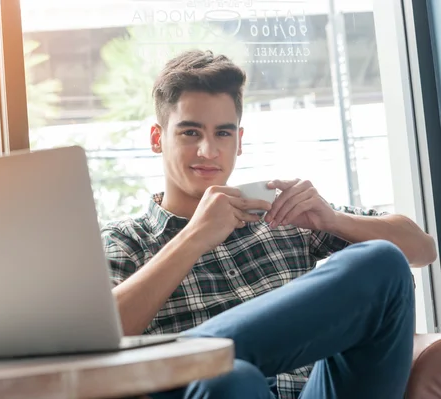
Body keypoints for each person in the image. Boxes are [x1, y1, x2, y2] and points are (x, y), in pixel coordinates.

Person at [100, 49, 437, 399]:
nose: (208, 150)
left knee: (381, 260)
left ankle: (190, 356)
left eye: (223, 134)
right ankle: (197, 363)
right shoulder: (126, 241)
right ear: (158, 139)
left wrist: (334, 220)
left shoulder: (280, 212)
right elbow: (97, 342)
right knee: (231, 379)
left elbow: (423, 249)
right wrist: (193, 238)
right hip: (221, 392)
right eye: (190, 133)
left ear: (239, 141)